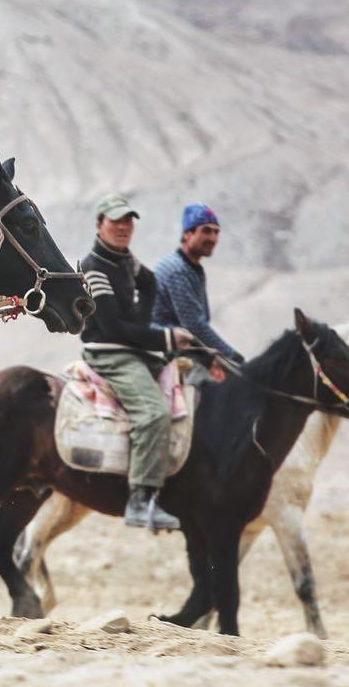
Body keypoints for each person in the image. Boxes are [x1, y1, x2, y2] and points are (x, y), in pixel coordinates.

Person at [79, 194, 193, 531]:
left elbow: (150, 283)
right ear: (99, 225)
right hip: (109, 354)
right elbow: (113, 328)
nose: (124, 227)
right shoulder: (94, 268)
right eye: (116, 221)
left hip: (130, 349)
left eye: (128, 221)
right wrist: (166, 339)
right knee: (153, 412)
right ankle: (140, 501)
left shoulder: (124, 260)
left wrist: (144, 327)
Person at [152, 203, 244, 377]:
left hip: (184, 345)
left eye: (216, 232)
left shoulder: (192, 267)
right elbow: (194, 325)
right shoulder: (177, 269)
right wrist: (232, 356)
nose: (213, 238)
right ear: (187, 234)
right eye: (206, 231)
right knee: (213, 390)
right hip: (164, 346)